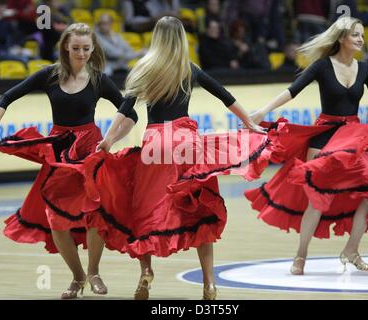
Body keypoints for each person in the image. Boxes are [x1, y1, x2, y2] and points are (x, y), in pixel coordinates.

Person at [84, 16, 269, 300]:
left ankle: (145, 273)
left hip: (155, 143)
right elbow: (225, 96)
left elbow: (124, 108)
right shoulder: (189, 69)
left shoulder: (144, 69)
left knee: (144, 210)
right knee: (200, 211)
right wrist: (250, 124)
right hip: (185, 142)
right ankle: (209, 283)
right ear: (181, 38)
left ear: (156, 38)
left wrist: (108, 139)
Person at [246, 17, 368, 275]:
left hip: (353, 138)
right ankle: (300, 256)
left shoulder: (366, 68)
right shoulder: (322, 66)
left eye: (362, 35)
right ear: (342, 38)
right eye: (356, 35)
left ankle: (352, 250)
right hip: (324, 137)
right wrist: (263, 111)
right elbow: (293, 90)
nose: (361, 39)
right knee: (318, 199)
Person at [0, 23, 138, 299]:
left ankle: (94, 273)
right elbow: (6, 98)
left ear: (93, 49)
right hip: (58, 151)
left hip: (91, 149)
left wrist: (112, 140)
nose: (81, 53)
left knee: (94, 214)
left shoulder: (100, 79)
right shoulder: (49, 75)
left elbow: (130, 113)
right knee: (56, 220)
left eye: (86, 49)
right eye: (76, 48)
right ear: (66, 46)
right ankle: (77, 277)